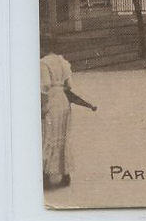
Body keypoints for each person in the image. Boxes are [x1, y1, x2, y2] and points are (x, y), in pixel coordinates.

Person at [41, 35, 97, 189]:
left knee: (48, 136)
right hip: (64, 102)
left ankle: (46, 176)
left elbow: (45, 87)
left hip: (51, 100)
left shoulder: (43, 63)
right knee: (63, 136)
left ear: (45, 47)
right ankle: (66, 175)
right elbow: (69, 86)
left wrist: (42, 108)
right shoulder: (64, 63)